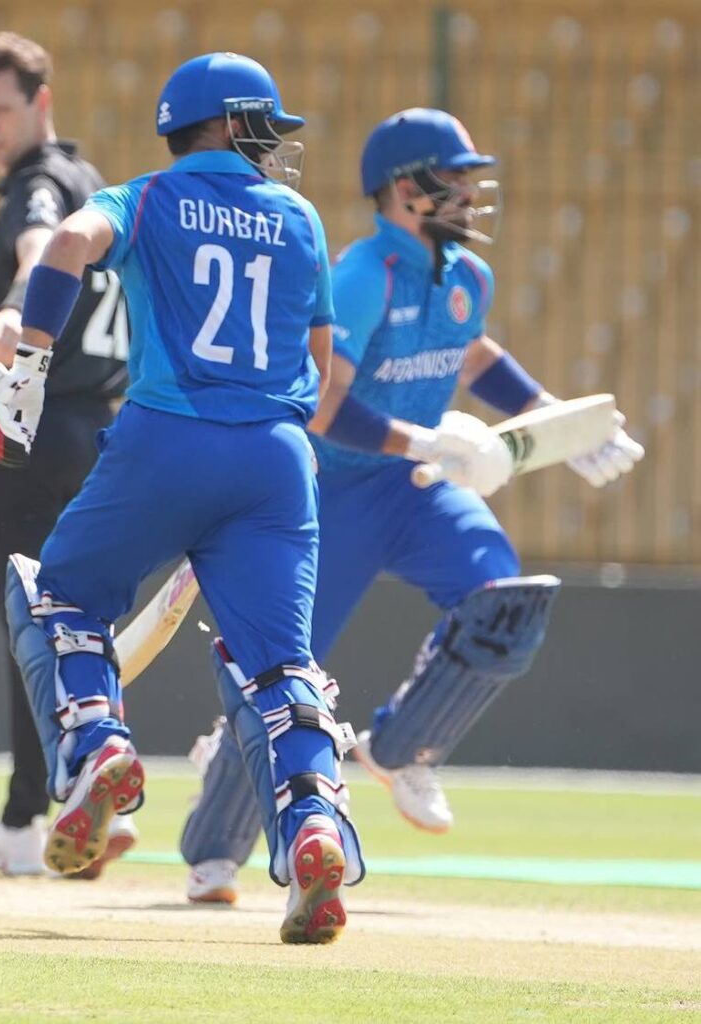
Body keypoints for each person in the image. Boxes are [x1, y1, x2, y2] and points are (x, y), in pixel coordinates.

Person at [181, 107, 645, 905]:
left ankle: (403, 749)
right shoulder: (363, 276)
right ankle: (215, 847)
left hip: (416, 488)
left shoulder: (466, 276)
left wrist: (557, 422)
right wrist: (422, 443)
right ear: (405, 188)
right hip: (327, 495)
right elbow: (324, 404)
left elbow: (473, 356)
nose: (471, 194)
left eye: (471, 179)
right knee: (277, 675)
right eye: (455, 179)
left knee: (504, 602)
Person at [0, 52, 367, 944]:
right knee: (282, 673)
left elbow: (69, 245)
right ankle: (314, 829)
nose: (274, 144)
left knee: (57, 595)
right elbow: (322, 372)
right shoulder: (301, 218)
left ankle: (98, 753)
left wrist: (29, 362)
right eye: (263, 125)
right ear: (232, 124)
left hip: (165, 438)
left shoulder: (148, 195)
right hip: (274, 459)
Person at [0, 32, 136, 878]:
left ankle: (34, 816)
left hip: (28, 432)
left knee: (29, 624)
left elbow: (34, 251)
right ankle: (93, 786)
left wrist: (13, 316)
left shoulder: (39, 187)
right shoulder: (101, 191)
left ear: (42, 103)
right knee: (78, 622)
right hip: (100, 430)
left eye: (3, 108)